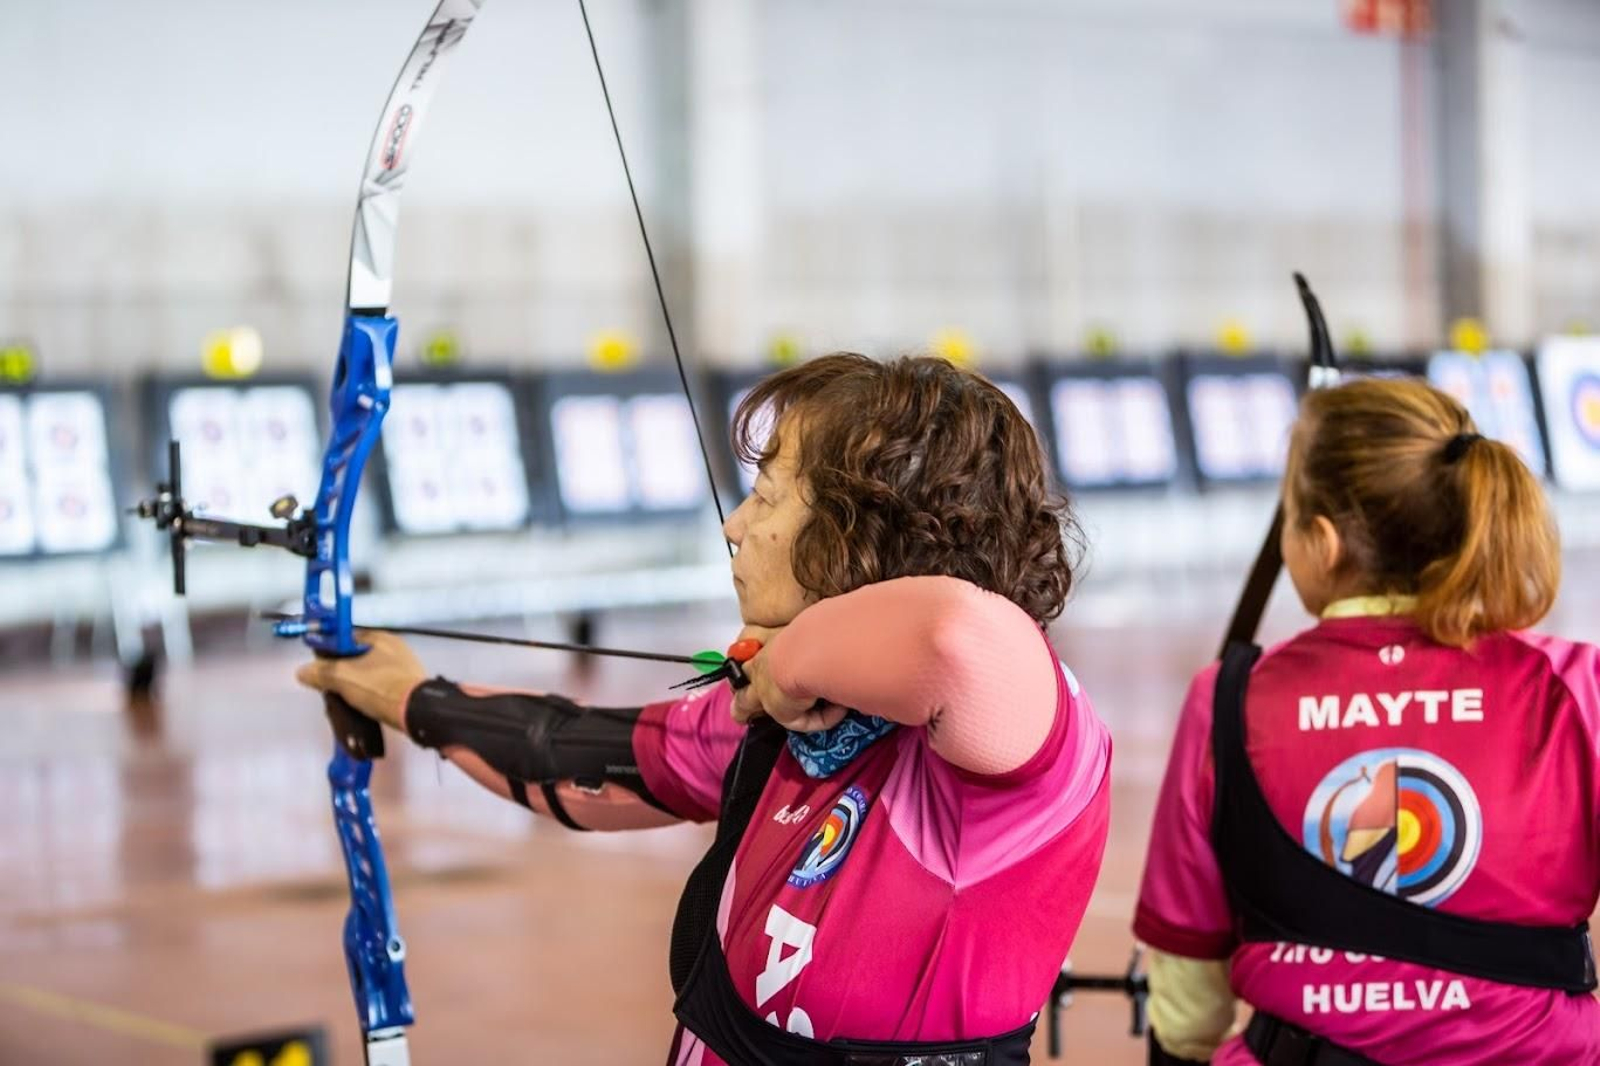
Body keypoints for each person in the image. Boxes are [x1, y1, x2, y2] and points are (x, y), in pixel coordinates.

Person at [298, 353, 1113, 1065]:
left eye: (767, 496)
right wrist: (413, 697)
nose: (735, 525)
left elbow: (957, 636)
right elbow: (580, 754)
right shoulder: (799, 727)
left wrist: (789, 663)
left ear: (863, 529)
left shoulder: (1021, 745)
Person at [1134, 375, 1600, 1066]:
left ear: (1323, 543)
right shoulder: (1575, 687)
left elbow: (1187, 1002)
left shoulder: (1226, 699)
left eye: (1287, 518)